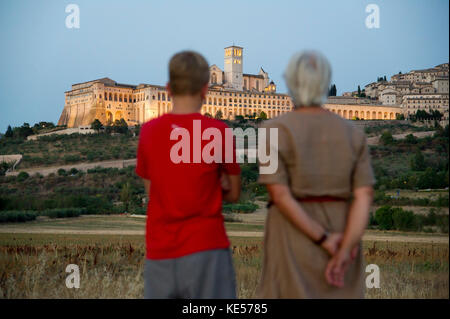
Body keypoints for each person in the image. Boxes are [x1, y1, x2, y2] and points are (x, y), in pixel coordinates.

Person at [256, 51, 375, 298]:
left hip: (290, 238)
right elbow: (364, 196)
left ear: (289, 82)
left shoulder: (270, 131)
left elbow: (279, 195)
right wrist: (344, 249)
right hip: (344, 235)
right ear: (325, 84)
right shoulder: (354, 134)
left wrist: (323, 239)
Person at [136, 51, 241, 299]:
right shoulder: (219, 131)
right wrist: (216, 183)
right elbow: (234, 194)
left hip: (161, 251)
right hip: (208, 248)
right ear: (206, 89)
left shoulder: (149, 132)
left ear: (168, 88)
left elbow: (154, 194)